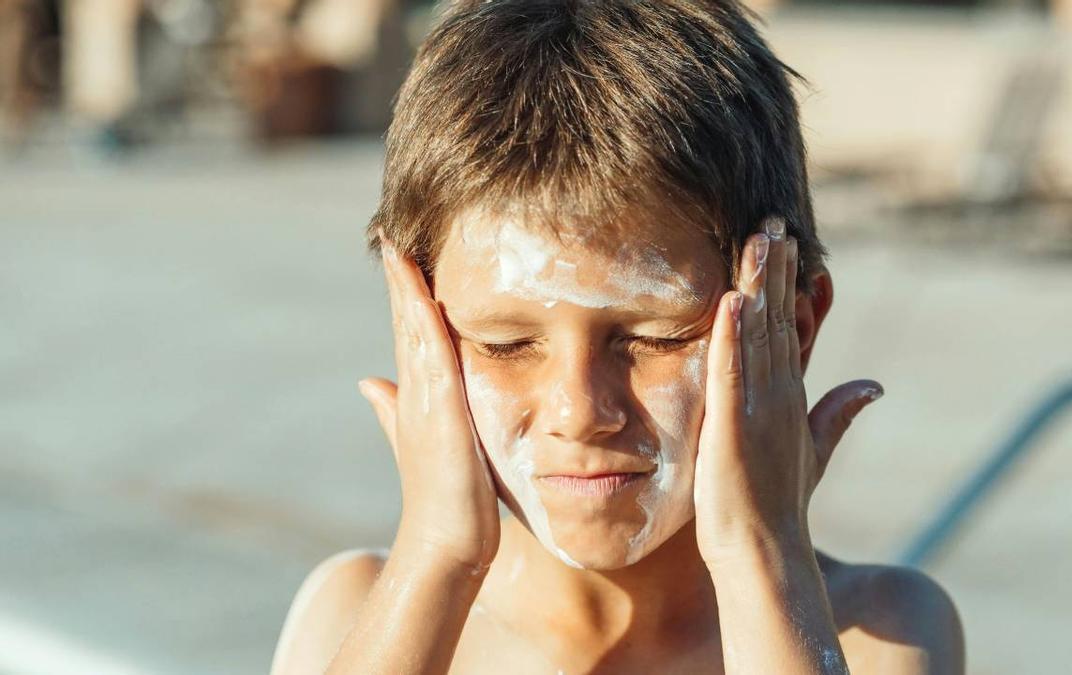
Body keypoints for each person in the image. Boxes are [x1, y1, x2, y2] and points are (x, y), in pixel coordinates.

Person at [270, 1, 965, 673]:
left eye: (655, 337)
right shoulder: (357, 614)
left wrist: (759, 550)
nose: (579, 410)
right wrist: (438, 554)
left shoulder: (881, 630)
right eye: (505, 345)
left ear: (794, 325)